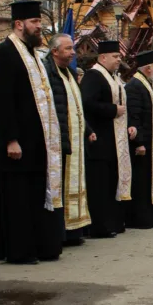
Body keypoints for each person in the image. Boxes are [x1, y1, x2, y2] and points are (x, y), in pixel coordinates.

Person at [0, 0, 64, 265]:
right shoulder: (4, 53)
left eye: (39, 22)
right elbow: (2, 100)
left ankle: (39, 246)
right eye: (34, 22)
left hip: (37, 142)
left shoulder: (33, 54)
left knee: (33, 195)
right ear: (19, 24)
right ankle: (19, 251)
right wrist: (10, 138)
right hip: (18, 142)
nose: (39, 27)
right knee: (18, 199)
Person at [44, 33, 93, 247]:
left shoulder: (70, 73)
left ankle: (75, 229)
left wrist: (87, 129)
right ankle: (62, 231)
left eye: (72, 48)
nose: (73, 52)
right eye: (68, 49)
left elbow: (77, 107)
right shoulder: (48, 71)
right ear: (54, 51)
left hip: (75, 140)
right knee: (60, 186)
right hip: (59, 139)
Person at [81, 39, 131, 238]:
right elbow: (87, 103)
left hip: (113, 139)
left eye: (119, 56)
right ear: (102, 57)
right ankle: (99, 226)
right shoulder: (94, 76)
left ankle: (113, 222)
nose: (119, 60)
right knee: (99, 185)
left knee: (110, 183)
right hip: (99, 139)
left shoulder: (112, 77)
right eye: (115, 56)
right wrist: (113, 110)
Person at [126, 49, 153, 229]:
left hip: (152, 144)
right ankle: (140, 219)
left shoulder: (148, 85)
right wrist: (140, 143)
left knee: (150, 181)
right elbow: (134, 117)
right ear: (148, 68)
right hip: (143, 145)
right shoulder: (134, 86)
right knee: (141, 183)